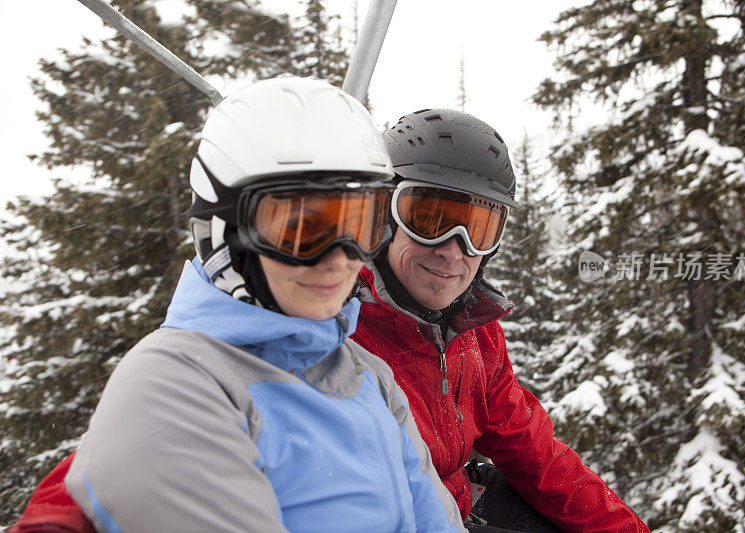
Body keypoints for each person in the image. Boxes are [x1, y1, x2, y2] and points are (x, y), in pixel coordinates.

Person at [9, 78, 465, 533]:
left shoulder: (368, 376)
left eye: (360, 224)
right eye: (300, 229)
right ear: (228, 231)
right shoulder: (176, 383)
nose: (339, 257)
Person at [350, 109, 650, 532]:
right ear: (384, 214)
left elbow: (533, 451)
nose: (454, 251)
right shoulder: (342, 332)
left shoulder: (471, 331)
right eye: (429, 220)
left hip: (459, 495)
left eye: (478, 229)